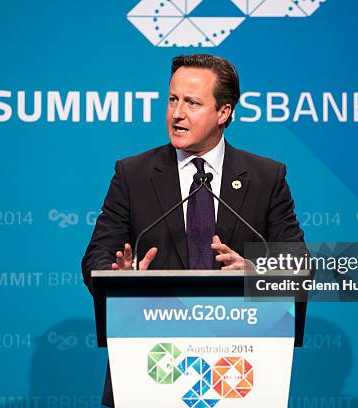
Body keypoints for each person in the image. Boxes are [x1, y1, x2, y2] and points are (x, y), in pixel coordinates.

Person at [82, 54, 306, 407]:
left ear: (224, 113)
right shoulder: (133, 174)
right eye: (172, 99)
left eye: (192, 103)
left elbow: (297, 268)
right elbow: (96, 257)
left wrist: (257, 272)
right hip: (150, 365)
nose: (176, 113)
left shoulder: (266, 179)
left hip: (236, 370)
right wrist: (119, 276)